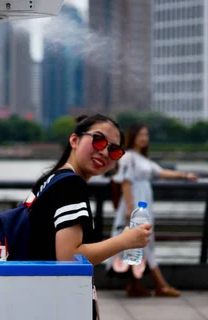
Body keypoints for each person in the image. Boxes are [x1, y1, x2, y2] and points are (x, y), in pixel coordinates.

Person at [27, 114, 153, 320]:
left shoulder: (50, 179)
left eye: (114, 150)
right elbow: (69, 257)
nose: (104, 152)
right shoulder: (71, 185)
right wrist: (124, 241)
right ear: (74, 140)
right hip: (56, 302)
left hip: (39, 297)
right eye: (98, 140)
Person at [106, 124, 198, 298]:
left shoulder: (142, 159)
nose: (144, 138)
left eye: (146, 135)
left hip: (144, 204)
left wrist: (184, 175)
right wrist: (130, 209)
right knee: (142, 241)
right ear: (132, 136)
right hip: (134, 206)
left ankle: (133, 285)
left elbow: (160, 172)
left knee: (138, 244)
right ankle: (161, 285)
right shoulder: (128, 158)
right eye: (140, 134)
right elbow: (125, 182)